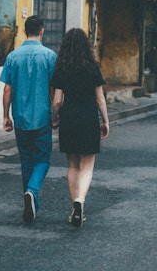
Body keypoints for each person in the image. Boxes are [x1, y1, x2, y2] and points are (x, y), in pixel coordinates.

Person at [0, 15, 57, 224]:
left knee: (26, 159)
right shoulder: (50, 56)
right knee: (42, 158)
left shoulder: (13, 57)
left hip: (21, 117)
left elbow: (7, 89)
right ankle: (32, 191)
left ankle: (30, 198)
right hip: (42, 116)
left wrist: (6, 115)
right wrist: (56, 114)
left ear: (25, 31)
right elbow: (53, 89)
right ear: (42, 31)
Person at [51, 28, 109, 228]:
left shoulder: (62, 68)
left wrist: (55, 117)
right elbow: (100, 97)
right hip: (88, 118)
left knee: (72, 165)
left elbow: (57, 100)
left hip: (69, 117)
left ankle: (74, 204)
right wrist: (106, 121)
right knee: (87, 166)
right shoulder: (92, 68)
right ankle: (80, 202)